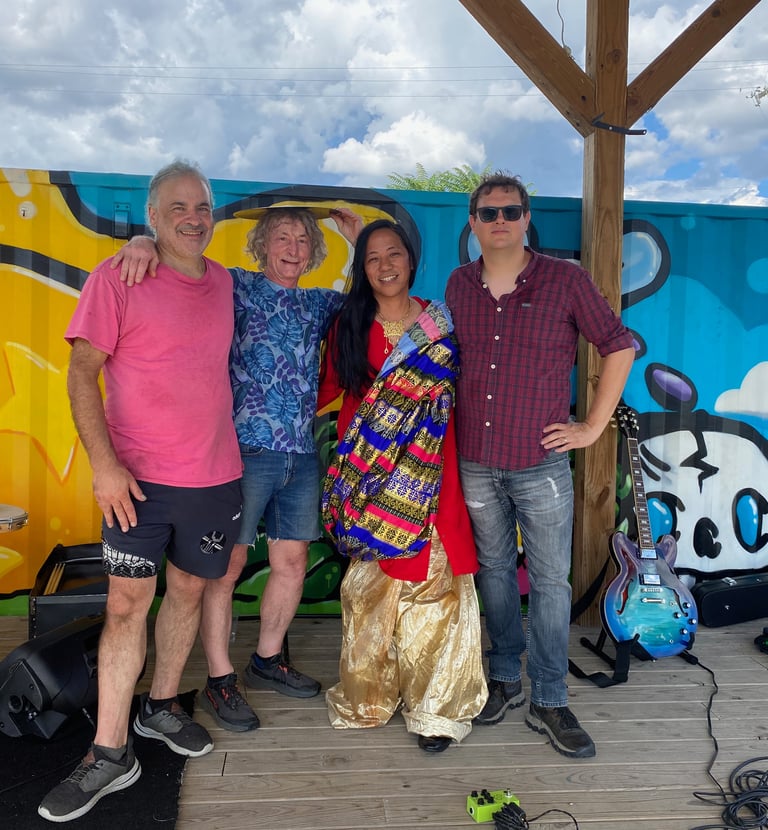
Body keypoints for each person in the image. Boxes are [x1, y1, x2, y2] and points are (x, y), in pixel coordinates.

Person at [38, 161, 243, 822]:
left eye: (202, 207)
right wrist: (103, 465)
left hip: (214, 478)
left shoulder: (226, 283)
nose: (193, 218)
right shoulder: (117, 276)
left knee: (188, 592)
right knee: (127, 605)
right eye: (177, 208)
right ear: (152, 216)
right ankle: (109, 751)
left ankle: (160, 707)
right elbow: (81, 373)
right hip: (137, 481)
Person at [111, 205, 361, 732]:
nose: (293, 248)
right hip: (242, 453)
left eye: (303, 240)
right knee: (225, 568)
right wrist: (142, 241)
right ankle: (220, 678)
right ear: (263, 244)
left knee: (291, 561)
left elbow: (371, 297)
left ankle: (267, 660)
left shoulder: (319, 303)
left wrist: (359, 241)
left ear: (313, 252)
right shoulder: (237, 287)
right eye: (282, 237)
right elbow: (183, 261)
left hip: (299, 455)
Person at [445, 172, 635, 760]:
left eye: (511, 211)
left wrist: (593, 426)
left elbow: (619, 344)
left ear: (526, 218)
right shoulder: (458, 285)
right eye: (488, 213)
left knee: (551, 583)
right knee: (495, 572)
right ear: (473, 223)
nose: (500, 221)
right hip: (476, 461)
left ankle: (549, 698)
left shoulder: (565, 279)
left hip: (540, 464)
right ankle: (505, 679)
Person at [319, 219, 487, 753]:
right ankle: (368, 697)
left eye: (394, 254)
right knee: (368, 590)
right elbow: (320, 390)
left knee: (436, 590)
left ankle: (435, 709)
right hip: (369, 479)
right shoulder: (347, 324)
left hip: (432, 472)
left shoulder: (442, 321)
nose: (385, 265)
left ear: (411, 259)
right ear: (361, 268)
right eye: (372, 258)